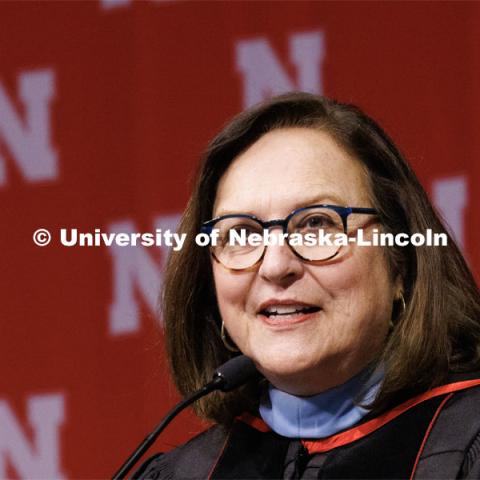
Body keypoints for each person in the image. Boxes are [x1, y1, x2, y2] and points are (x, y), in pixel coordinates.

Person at [135, 92, 480, 479]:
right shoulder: (184, 474)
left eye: (317, 223)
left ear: (400, 265)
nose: (276, 265)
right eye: (242, 233)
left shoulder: (465, 446)